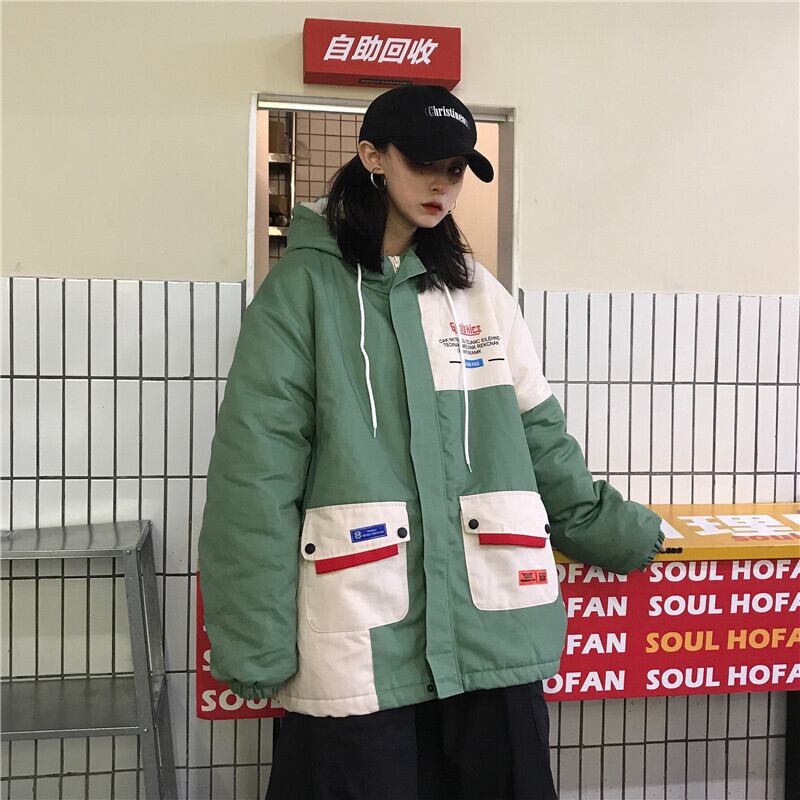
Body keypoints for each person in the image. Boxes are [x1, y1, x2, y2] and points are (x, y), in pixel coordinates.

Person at [197, 84, 664, 800]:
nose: (442, 185)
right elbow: (254, 479)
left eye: (455, 169)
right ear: (372, 157)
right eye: (424, 165)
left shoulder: (477, 292)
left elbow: (539, 436)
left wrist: (609, 526)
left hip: (488, 632)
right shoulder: (302, 293)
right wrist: (253, 644)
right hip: (361, 638)